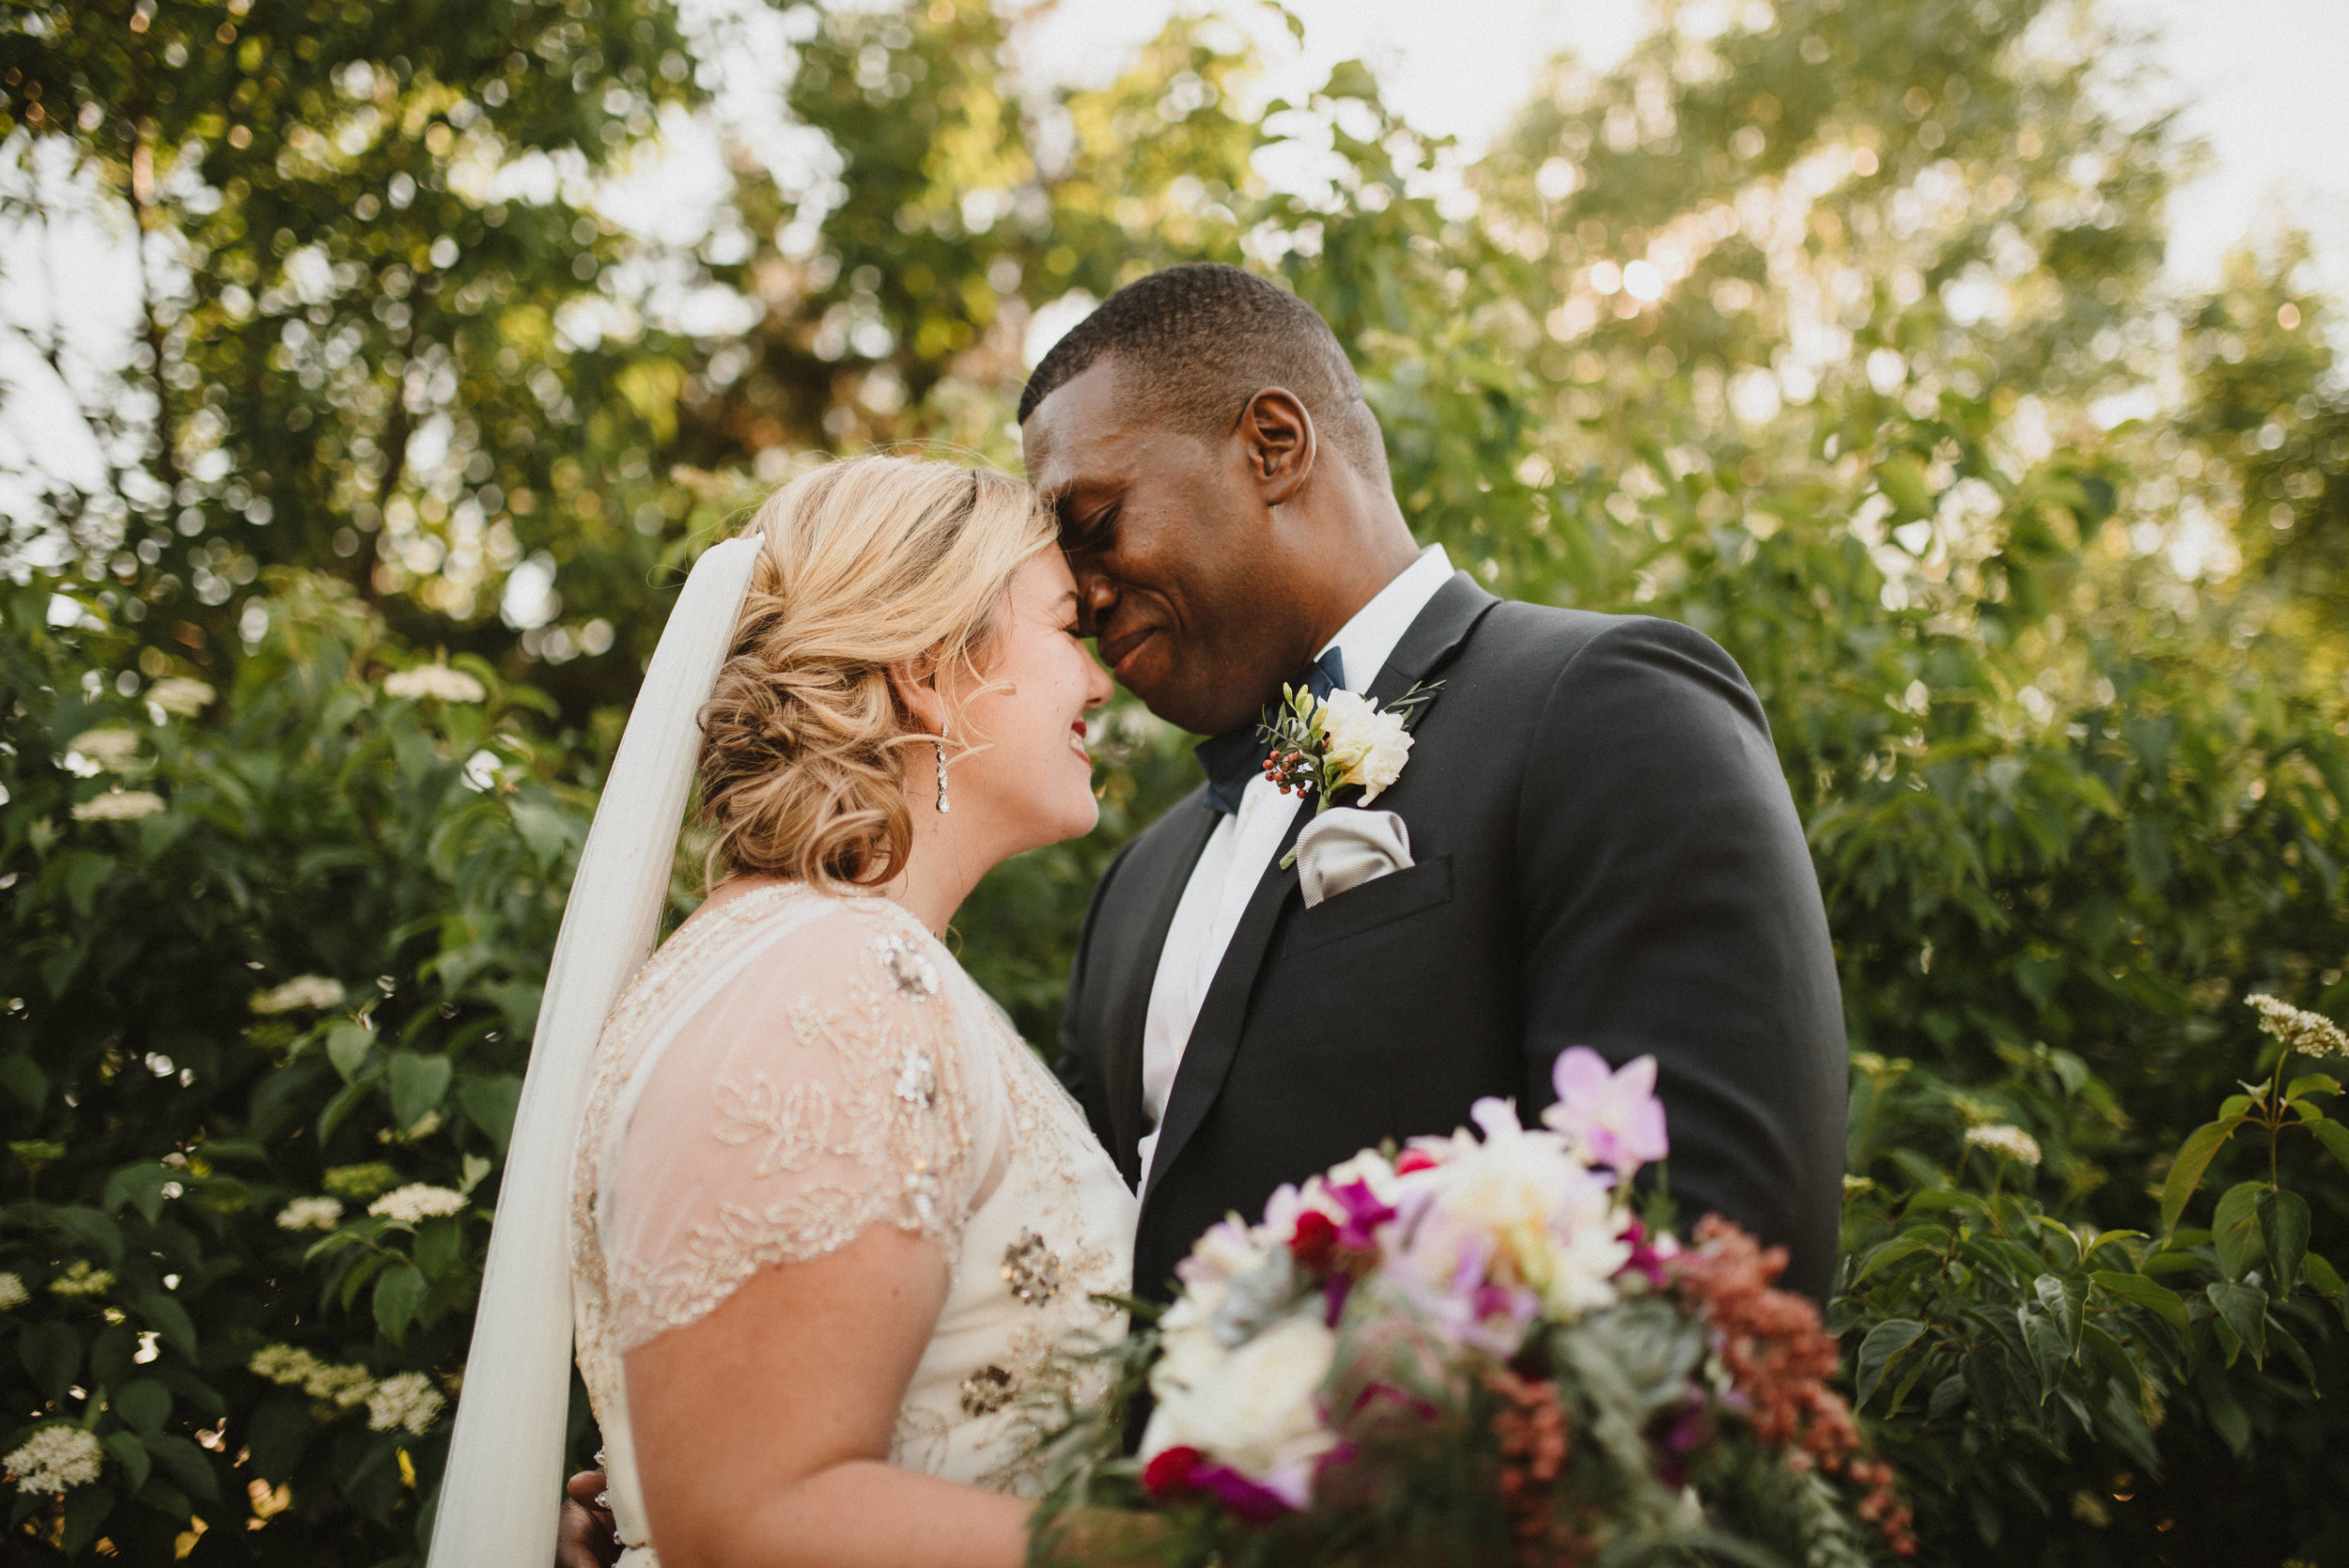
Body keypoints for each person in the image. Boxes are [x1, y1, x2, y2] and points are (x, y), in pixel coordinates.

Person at [554, 262, 1847, 1564]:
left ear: (1272, 446)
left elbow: (1722, 1264)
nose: (1087, 592)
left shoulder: (1599, 706)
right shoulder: (1143, 885)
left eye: (1097, 523)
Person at [433, 457, 1138, 1568]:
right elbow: (759, 1518)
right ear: (927, 667)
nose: (1099, 684)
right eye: (1065, 629)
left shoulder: (798, 957)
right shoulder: (830, 975)